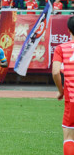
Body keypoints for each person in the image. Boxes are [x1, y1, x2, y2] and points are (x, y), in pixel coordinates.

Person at [52, 16, 74, 155]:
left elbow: (55, 72)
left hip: (71, 98)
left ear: (68, 30)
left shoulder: (61, 48)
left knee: (68, 136)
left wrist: (61, 90)